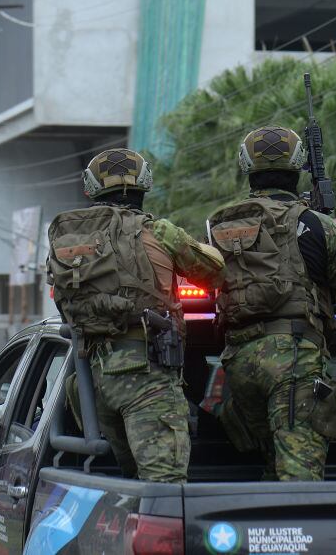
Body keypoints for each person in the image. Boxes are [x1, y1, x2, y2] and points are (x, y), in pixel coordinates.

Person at [47, 148, 224, 483]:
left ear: (90, 188)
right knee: (165, 488)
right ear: (146, 184)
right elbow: (213, 272)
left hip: (94, 381)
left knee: (130, 485)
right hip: (149, 378)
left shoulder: (71, 241)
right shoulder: (158, 232)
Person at [209, 126, 336, 481]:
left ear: (246, 165)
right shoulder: (317, 224)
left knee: (273, 466)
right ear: (299, 164)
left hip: (238, 364)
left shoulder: (220, 224)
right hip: (293, 359)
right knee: (299, 476)